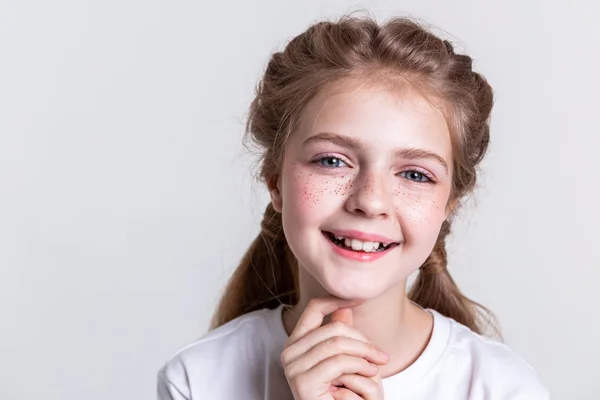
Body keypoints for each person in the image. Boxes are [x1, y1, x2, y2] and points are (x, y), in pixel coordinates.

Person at [157, 15, 549, 400]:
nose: (370, 200)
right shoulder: (197, 380)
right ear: (275, 180)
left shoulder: (505, 389)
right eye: (332, 161)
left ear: (449, 204)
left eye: (414, 174)